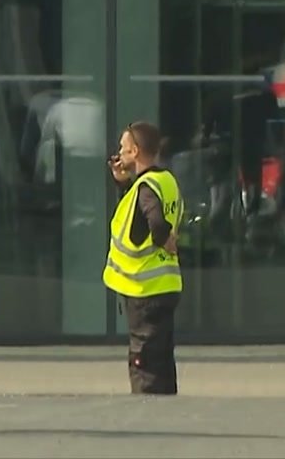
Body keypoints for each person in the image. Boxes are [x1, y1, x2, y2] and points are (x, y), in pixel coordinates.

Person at [103, 121, 185, 395]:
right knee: (161, 359)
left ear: (135, 152)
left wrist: (164, 239)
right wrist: (123, 183)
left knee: (145, 362)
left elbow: (155, 221)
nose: (120, 155)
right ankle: (167, 407)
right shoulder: (165, 180)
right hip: (165, 285)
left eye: (124, 149)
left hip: (145, 291)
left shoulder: (147, 187)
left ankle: (150, 413)